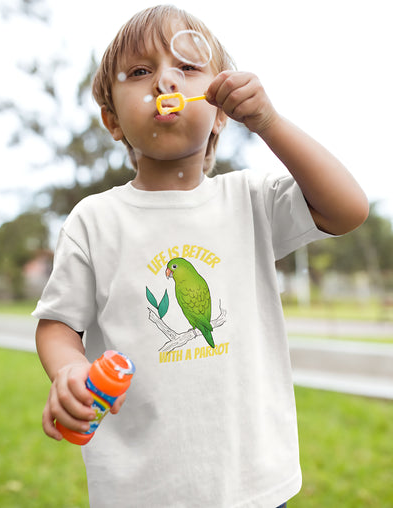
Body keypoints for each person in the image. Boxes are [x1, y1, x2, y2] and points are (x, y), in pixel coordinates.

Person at [33, 5, 368, 508]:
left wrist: (270, 123)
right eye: (141, 71)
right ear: (112, 120)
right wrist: (67, 370)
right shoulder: (94, 219)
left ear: (220, 111)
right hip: (140, 489)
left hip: (253, 482)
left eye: (187, 68)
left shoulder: (251, 200)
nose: (166, 80)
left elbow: (348, 210)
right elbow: (58, 323)